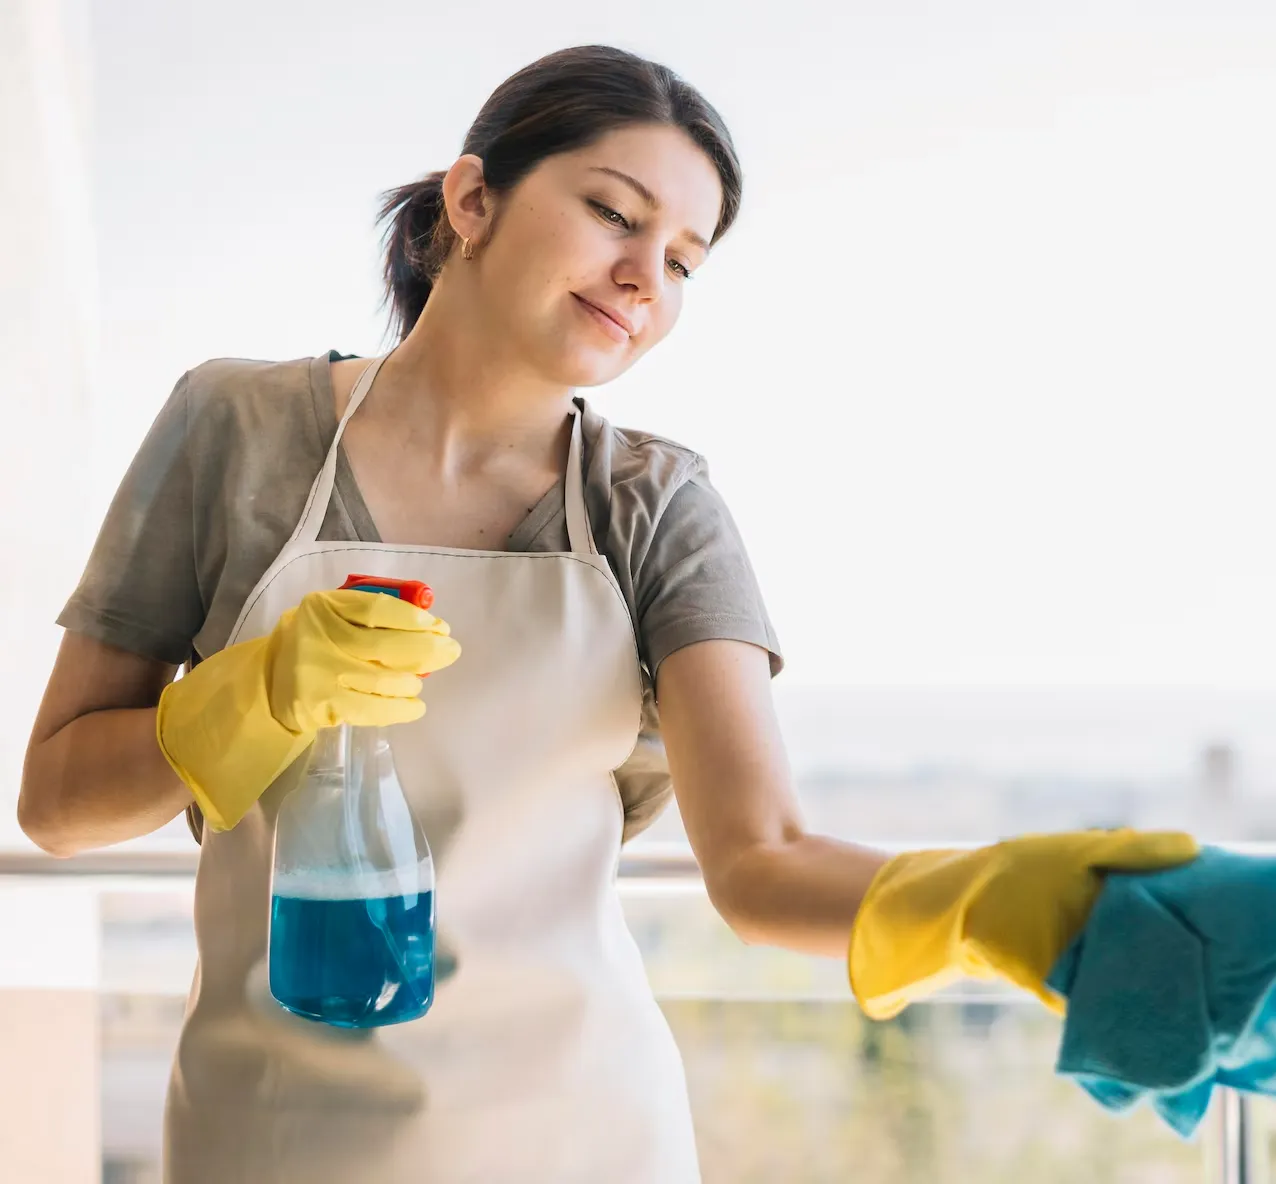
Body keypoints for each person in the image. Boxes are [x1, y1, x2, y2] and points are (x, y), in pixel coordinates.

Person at [18, 44, 1198, 1183]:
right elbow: (59, 800)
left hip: (580, 1128)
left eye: (685, 257)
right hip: (272, 1132)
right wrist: (248, 695)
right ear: (471, 198)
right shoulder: (236, 426)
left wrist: (995, 904)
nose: (647, 276)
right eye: (615, 214)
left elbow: (761, 860)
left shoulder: (656, 505)